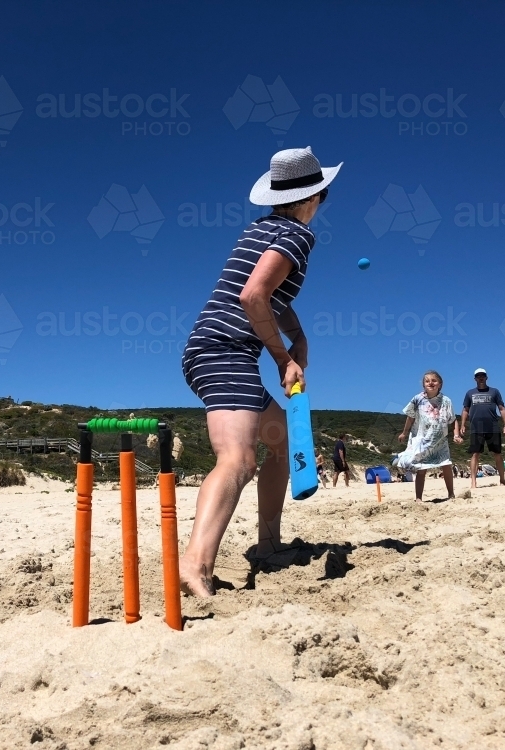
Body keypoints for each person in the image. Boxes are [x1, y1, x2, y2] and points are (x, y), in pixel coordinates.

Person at [179, 146, 342, 597]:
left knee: (281, 442)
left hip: (212, 349)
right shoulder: (295, 235)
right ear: (317, 196)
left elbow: (273, 297)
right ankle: (195, 565)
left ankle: (269, 545)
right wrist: (283, 358)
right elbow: (252, 297)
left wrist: (299, 338)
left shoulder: (263, 229)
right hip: (225, 350)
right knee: (238, 458)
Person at [394, 371, 456, 502]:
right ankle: (418, 498)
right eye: (427, 381)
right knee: (421, 468)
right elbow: (410, 416)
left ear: (440, 384)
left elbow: (453, 419)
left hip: (440, 439)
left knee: (446, 465)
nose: (430, 383)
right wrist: (404, 432)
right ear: (423, 384)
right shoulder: (417, 399)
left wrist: (456, 434)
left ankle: (451, 495)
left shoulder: (446, 400)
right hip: (422, 439)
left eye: (434, 380)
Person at [457, 368, 505, 489]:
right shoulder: (470, 393)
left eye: (483, 375)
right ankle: (473, 482)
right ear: (475, 378)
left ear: (486, 377)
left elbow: (501, 408)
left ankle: (502, 480)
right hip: (476, 428)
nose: (480, 377)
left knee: (497, 454)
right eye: (478, 376)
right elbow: (465, 410)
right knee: (475, 454)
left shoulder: (494, 391)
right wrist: (463, 425)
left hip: (493, 427)